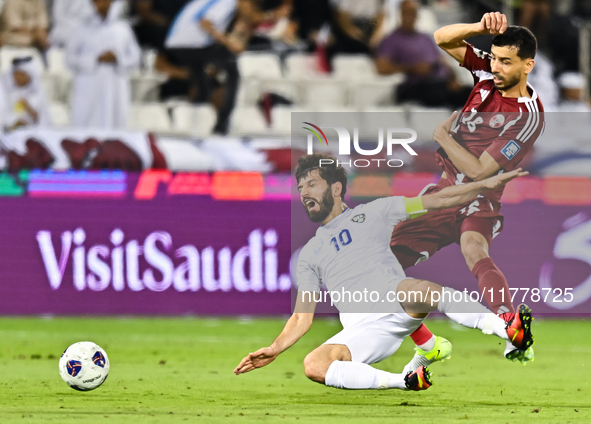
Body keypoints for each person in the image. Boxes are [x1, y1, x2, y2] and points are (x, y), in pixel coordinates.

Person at [234, 154, 533, 391]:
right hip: (364, 329)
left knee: (423, 290)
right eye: (300, 187)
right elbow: (302, 317)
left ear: (336, 188)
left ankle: (507, 329)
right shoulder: (310, 253)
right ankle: (403, 380)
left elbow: (440, 200)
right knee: (313, 365)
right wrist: (275, 348)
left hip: (398, 299)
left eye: (311, 184)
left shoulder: (374, 212)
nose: (303, 192)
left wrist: (485, 185)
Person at [390, 12, 544, 366]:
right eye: (495, 58)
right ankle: (429, 345)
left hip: (478, 195)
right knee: (382, 266)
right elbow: (442, 38)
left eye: (507, 62)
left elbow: (479, 172)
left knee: (474, 248)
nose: (498, 67)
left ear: (528, 65)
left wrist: (442, 136)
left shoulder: (527, 117)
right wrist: (478, 28)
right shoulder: (487, 74)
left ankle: (509, 324)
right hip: (442, 192)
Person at [165, 0, 249, 135]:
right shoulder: (228, 2)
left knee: (200, 73)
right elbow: (205, 22)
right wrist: (229, 43)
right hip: (193, 45)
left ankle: (198, 109)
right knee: (232, 70)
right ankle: (223, 123)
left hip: (175, 43)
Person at [374, 0, 471, 108]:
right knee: (437, 94)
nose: (409, 16)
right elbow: (381, 67)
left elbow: (442, 61)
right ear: (400, 13)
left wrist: (453, 79)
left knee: (476, 93)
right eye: (406, 12)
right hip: (415, 85)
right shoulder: (391, 40)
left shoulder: (426, 38)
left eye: (412, 13)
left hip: (440, 83)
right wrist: (413, 68)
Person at [66, 0, 141, 129]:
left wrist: (118, 58)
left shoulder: (123, 29)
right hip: (89, 87)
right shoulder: (81, 29)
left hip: (116, 86)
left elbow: (135, 58)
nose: (99, 4)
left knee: (115, 125)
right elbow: (69, 59)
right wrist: (95, 59)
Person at [0, 56, 52, 132]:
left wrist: (27, 107)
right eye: (18, 74)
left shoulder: (36, 93)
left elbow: (43, 121)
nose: (20, 78)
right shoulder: (3, 87)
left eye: (24, 75)